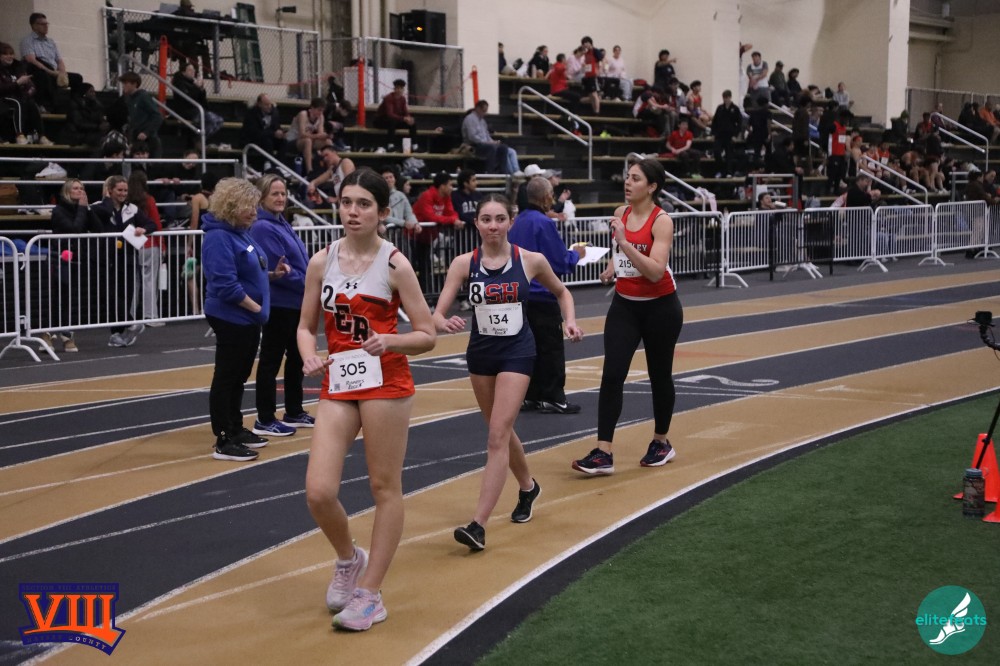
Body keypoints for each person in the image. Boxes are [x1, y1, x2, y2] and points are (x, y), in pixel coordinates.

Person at [297, 167, 435, 631]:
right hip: (339, 383)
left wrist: (390, 341)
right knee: (319, 492)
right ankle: (348, 558)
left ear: (382, 212)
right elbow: (305, 326)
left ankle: (371, 594)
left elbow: (427, 334)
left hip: (386, 383)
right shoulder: (322, 261)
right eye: (346, 203)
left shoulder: (395, 265)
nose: (353, 212)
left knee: (383, 487)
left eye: (363, 204)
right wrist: (308, 353)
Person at [433, 193, 583, 551]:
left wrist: (570, 321)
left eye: (500, 219)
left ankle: (478, 525)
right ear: (476, 224)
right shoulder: (463, 264)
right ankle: (528, 487)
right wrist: (442, 321)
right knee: (499, 430)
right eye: (486, 219)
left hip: (518, 352)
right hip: (481, 355)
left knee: (496, 437)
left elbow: (562, 292)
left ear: (511, 222)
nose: (493, 226)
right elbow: (436, 313)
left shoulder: (530, 260)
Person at [572, 158, 683, 475]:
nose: (627, 182)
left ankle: (661, 442)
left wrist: (623, 241)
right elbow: (623, 255)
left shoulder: (662, 221)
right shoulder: (621, 213)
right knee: (612, 374)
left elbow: (655, 271)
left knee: (659, 375)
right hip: (625, 306)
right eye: (627, 177)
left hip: (661, 308)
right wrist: (612, 266)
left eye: (635, 178)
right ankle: (603, 452)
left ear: (652, 186)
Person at [202, 177, 283, 461]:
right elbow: (225, 284)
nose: (253, 211)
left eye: (254, 205)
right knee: (227, 376)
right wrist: (255, 308)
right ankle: (224, 438)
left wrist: (271, 275)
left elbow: (250, 270)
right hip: (232, 316)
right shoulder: (218, 237)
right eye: (247, 206)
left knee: (239, 375)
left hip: (247, 319)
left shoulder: (240, 233)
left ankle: (235, 428)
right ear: (230, 206)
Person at [508, 176, 586, 414]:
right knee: (550, 348)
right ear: (544, 197)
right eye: (551, 194)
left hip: (520, 295)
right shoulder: (543, 222)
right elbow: (559, 261)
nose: (553, 198)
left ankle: (530, 395)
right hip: (542, 294)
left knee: (528, 349)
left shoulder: (518, 222)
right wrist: (577, 254)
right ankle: (552, 396)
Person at [248, 174, 313, 438]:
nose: (280, 198)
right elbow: (283, 270)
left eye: (283, 193)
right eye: (274, 193)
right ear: (262, 197)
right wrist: (311, 284)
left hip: (296, 302)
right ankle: (265, 417)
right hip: (280, 304)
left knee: (296, 358)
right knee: (271, 360)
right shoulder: (263, 227)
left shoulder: (281, 222)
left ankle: (294, 410)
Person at [90, 175, 157, 348]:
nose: (123, 193)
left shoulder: (132, 209)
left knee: (125, 294)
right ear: (110, 190)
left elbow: (152, 224)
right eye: (119, 190)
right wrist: (107, 199)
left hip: (127, 258)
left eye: (125, 190)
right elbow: (105, 215)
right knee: (110, 295)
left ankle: (119, 334)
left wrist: (143, 229)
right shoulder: (99, 207)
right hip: (106, 259)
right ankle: (128, 324)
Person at [47, 178, 98, 353]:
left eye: (82, 188)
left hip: (77, 259)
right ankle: (49, 333)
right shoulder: (59, 210)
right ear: (67, 191)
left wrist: (87, 209)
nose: (80, 191)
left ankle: (65, 333)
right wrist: (83, 209)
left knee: (70, 298)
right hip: (60, 258)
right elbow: (74, 230)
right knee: (59, 296)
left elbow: (98, 229)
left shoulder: (82, 209)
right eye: (76, 188)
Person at [19, 13, 81, 112]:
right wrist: (51, 72)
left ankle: (74, 105)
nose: (46, 26)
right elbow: (32, 60)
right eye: (42, 24)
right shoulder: (27, 41)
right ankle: (43, 105)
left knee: (77, 78)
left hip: (54, 71)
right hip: (40, 70)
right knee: (43, 76)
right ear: (34, 26)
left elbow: (59, 60)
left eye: (47, 24)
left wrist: (62, 73)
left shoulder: (50, 42)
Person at [411, 171, 460, 295]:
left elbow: (452, 213)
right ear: (442, 186)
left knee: (426, 268)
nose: (452, 188)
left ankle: (426, 296)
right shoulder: (427, 196)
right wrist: (452, 220)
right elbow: (430, 217)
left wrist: (453, 219)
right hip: (412, 236)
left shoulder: (446, 197)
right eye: (450, 185)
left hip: (427, 238)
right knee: (411, 268)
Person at [126, 170, 164, 323]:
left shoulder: (127, 201)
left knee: (133, 282)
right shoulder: (148, 200)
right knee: (150, 281)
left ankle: (130, 316)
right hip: (150, 244)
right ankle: (150, 315)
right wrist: (162, 245)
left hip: (133, 244)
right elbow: (156, 224)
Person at [0, 42, 51, 145]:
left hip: (19, 96)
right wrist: (17, 83)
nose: (9, 56)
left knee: (31, 103)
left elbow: (32, 87)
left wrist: (27, 93)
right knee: (17, 102)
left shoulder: (18, 67)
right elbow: (2, 88)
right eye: (5, 54)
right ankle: (19, 135)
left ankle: (41, 136)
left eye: (11, 54)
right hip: (4, 97)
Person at [461, 100, 521, 175]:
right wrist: (487, 143)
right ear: (478, 108)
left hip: (485, 144)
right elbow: (472, 137)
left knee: (503, 147)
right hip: (474, 145)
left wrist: (493, 141)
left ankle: (503, 173)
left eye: (486, 111)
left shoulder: (482, 121)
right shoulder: (469, 119)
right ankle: (490, 172)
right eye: (483, 111)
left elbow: (487, 135)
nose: (485, 113)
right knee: (491, 148)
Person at [119, 71, 162, 157]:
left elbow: (157, 116)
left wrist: (146, 132)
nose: (123, 86)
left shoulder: (143, 97)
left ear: (134, 84)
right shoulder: (129, 99)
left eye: (126, 83)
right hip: (136, 138)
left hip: (149, 140)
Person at [286, 98, 332, 175]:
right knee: (307, 141)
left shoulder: (321, 117)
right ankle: (309, 171)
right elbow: (302, 134)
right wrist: (318, 136)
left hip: (308, 140)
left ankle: (330, 168)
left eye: (322, 111)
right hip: (293, 140)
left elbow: (320, 134)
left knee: (328, 142)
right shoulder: (303, 114)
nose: (320, 113)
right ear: (312, 108)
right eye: (319, 110)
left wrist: (326, 136)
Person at [374, 79, 418, 148]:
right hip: (381, 121)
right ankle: (390, 145)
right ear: (394, 89)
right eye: (397, 88)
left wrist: (409, 118)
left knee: (412, 123)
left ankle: (414, 145)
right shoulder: (389, 98)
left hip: (395, 120)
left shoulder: (403, 99)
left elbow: (405, 111)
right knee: (392, 121)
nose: (399, 90)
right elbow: (390, 114)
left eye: (401, 88)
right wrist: (403, 118)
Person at [711, 90, 742, 177]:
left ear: (730, 97)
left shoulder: (735, 109)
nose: (725, 100)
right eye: (724, 98)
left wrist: (735, 135)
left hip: (730, 136)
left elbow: (739, 123)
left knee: (729, 154)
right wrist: (713, 133)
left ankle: (729, 172)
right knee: (716, 152)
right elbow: (714, 122)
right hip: (719, 135)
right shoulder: (720, 108)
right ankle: (720, 170)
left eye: (727, 98)